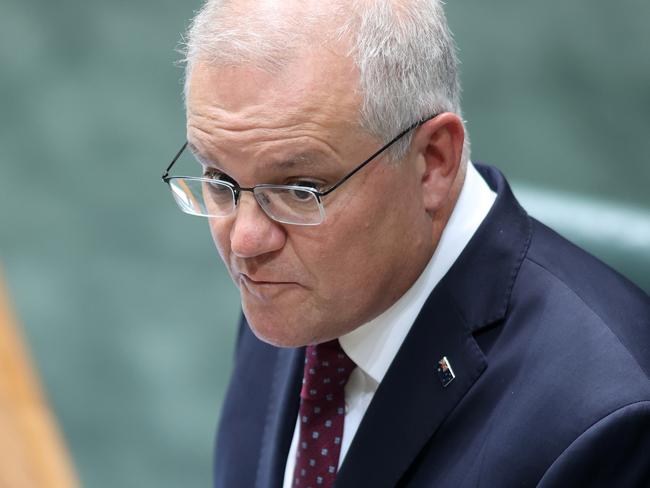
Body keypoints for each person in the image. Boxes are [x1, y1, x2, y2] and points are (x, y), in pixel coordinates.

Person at [162, 0, 650, 486]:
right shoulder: (292, 290)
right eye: (218, 176)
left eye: (299, 190)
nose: (245, 241)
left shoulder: (607, 422)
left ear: (433, 162)